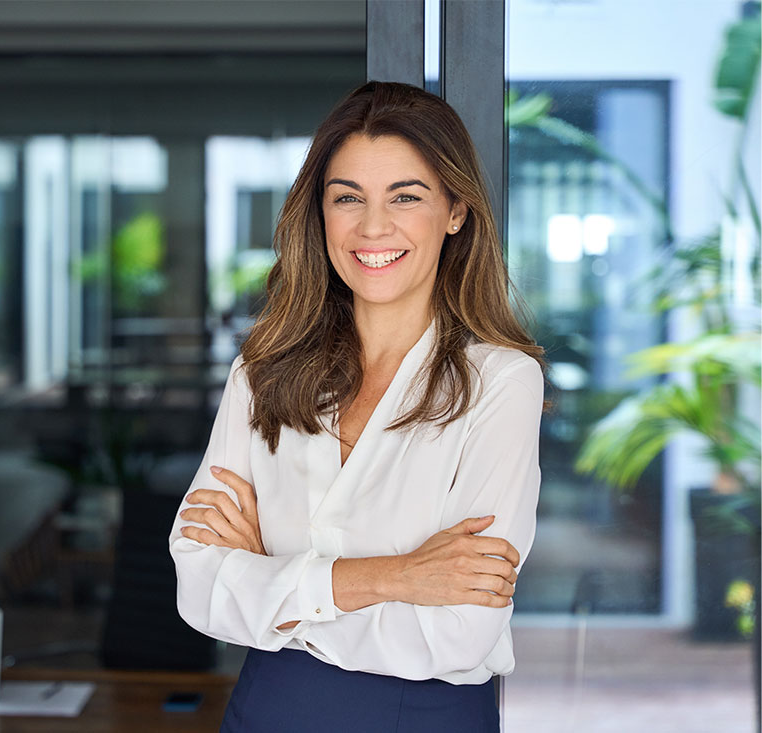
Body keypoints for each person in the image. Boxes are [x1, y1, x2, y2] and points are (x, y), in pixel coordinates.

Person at [168, 81, 545, 732]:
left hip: (423, 716)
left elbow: (460, 630)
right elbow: (201, 591)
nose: (374, 227)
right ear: (320, 213)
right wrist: (397, 575)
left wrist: (270, 581)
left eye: (406, 196)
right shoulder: (262, 374)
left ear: (455, 210)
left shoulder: (501, 383)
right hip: (267, 709)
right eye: (348, 198)